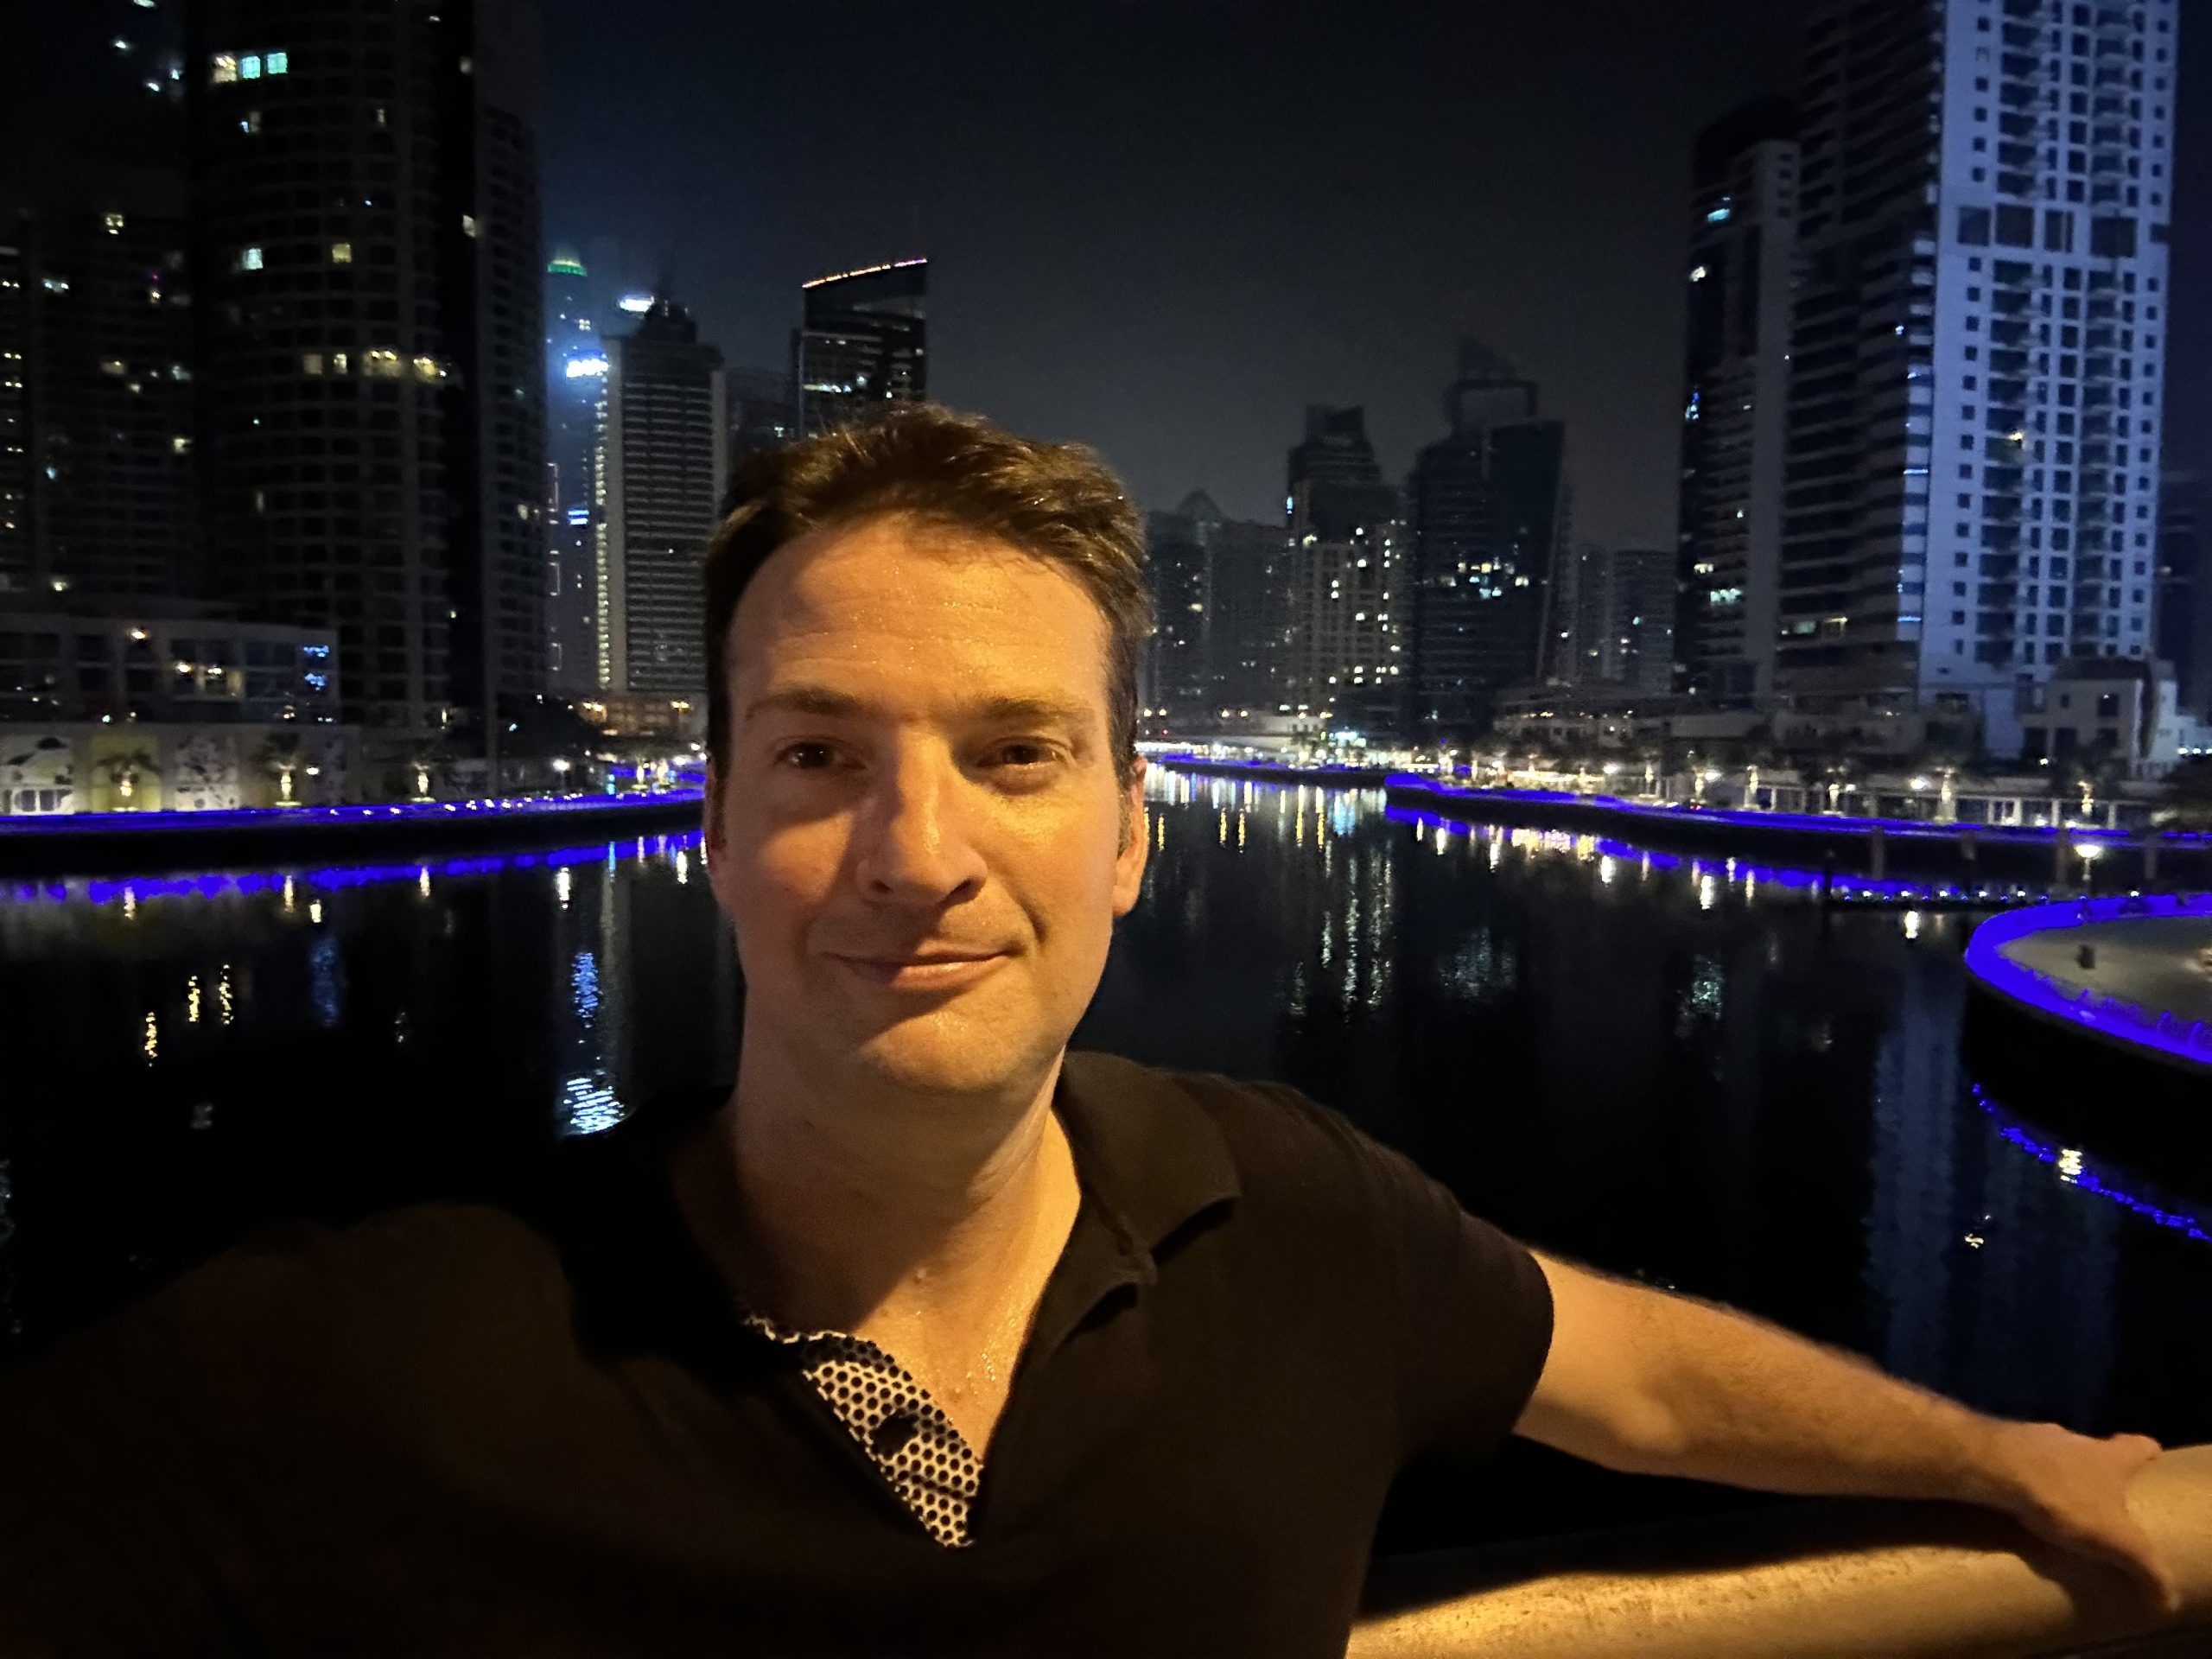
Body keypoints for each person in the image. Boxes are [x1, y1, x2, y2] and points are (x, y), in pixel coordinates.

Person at [0, 405, 2179, 1656]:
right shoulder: (392, 1349)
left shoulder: (1288, 1214)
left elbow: (1630, 1373)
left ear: (1130, 832)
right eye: (819, 757)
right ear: (711, 825)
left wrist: (1991, 1462)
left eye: (1014, 754)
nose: (914, 854)